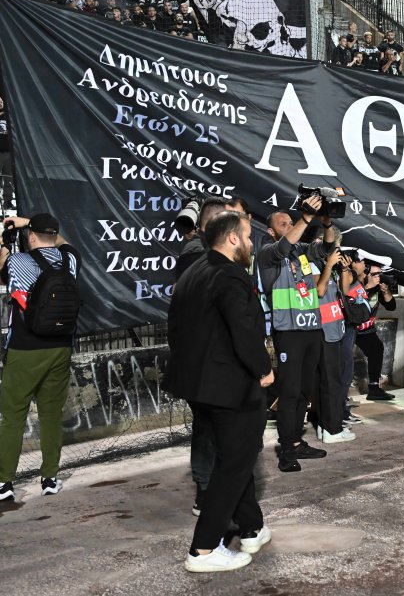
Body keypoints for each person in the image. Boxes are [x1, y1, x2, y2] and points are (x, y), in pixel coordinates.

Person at [164, 212, 274, 573]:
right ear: (231, 239)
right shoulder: (230, 275)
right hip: (230, 386)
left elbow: (176, 329)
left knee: (233, 457)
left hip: (200, 386)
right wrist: (263, 368)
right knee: (235, 463)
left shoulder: (193, 272)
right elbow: (244, 330)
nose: (249, 244)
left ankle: (252, 528)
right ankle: (204, 549)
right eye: (246, 237)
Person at [0, 213, 80, 502]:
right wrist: (30, 222)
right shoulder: (69, 261)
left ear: (31, 237)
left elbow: (1, 264)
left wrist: (8, 238)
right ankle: (49, 478)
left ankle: (4, 482)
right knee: (50, 415)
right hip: (60, 347)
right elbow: (65, 243)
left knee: (12, 416)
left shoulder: (17, 262)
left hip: (24, 349)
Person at [256, 199, 333, 472]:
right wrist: (305, 218)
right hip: (288, 331)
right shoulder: (267, 253)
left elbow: (327, 248)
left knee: (304, 391)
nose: (290, 227)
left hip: (312, 328)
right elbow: (283, 247)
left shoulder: (301, 251)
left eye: (292, 222)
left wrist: (327, 222)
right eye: (283, 224)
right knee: (289, 392)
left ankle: (297, 441)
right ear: (271, 231)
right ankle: (286, 450)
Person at [351, 253, 397, 401]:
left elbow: (391, 306)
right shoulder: (354, 284)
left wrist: (385, 291)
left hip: (366, 329)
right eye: (374, 274)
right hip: (351, 329)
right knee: (342, 359)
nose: (378, 277)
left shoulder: (376, 289)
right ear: (365, 273)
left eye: (379, 274)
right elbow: (353, 303)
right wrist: (367, 287)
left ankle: (374, 388)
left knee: (376, 349)